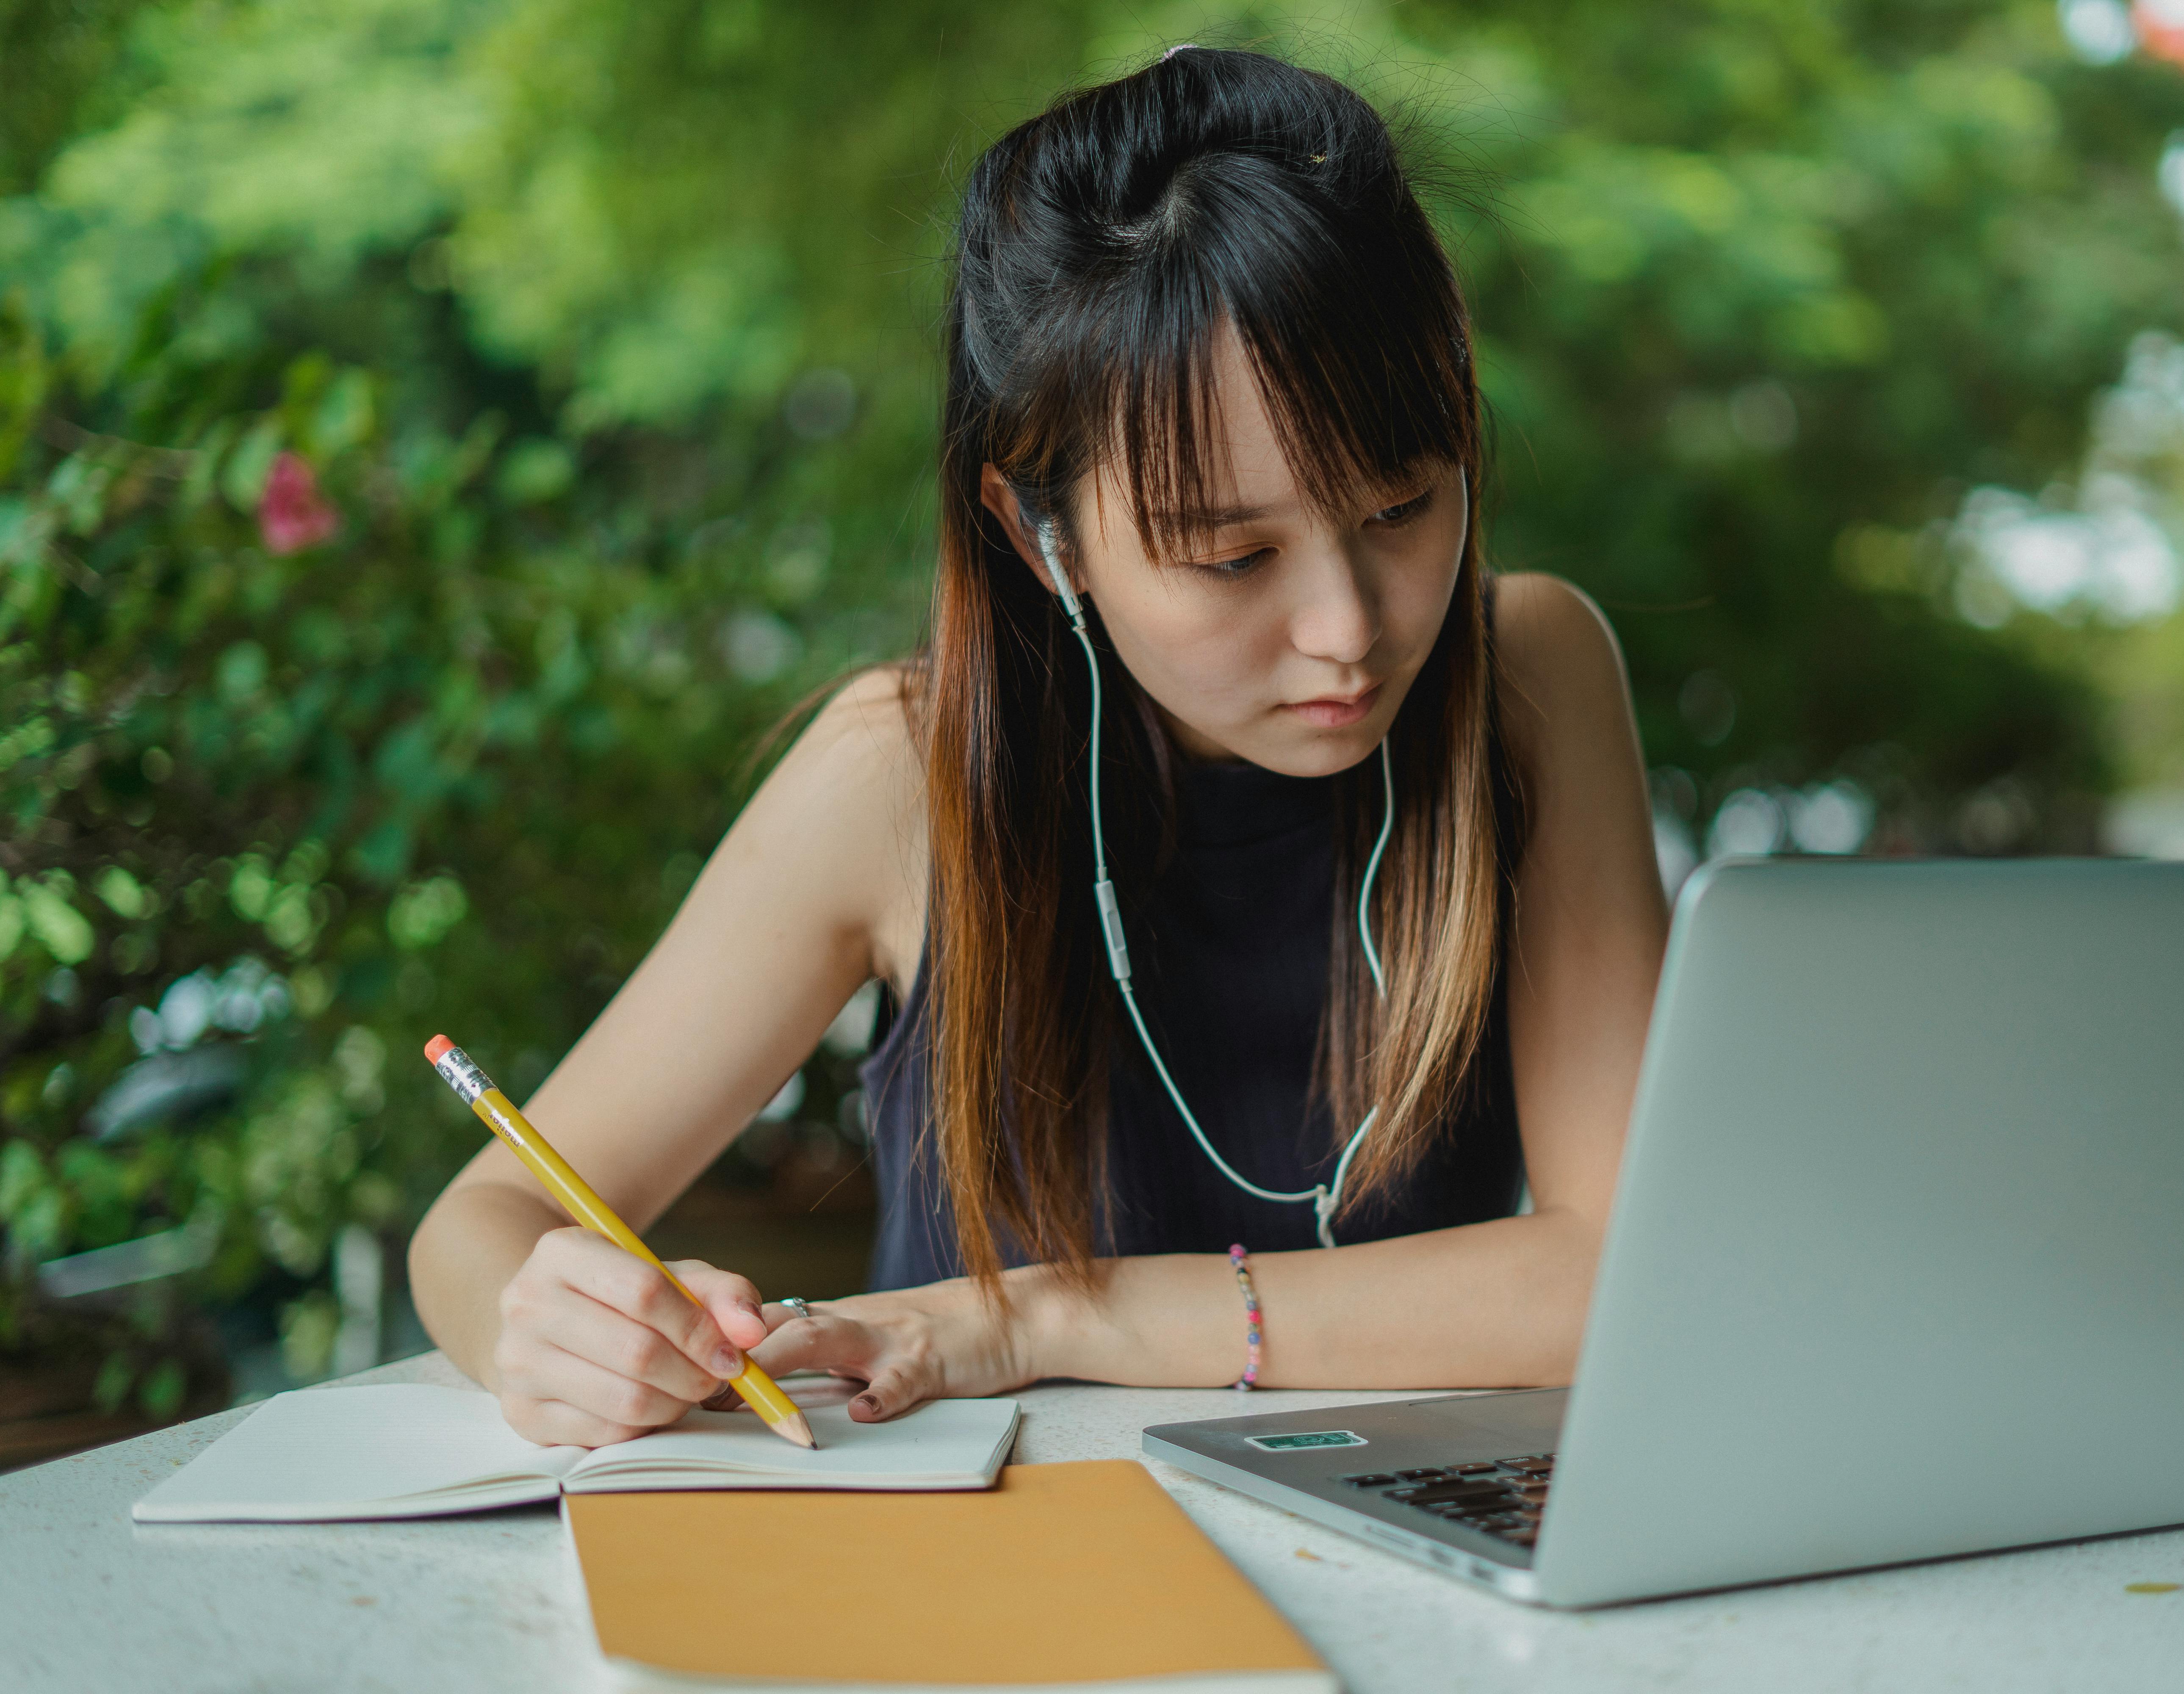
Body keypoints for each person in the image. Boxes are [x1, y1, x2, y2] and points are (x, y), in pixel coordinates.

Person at [409, 46, 1668, 1448]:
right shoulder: (904, 772)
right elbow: (480, 1223)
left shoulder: (1532, 678)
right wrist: (561, 1329)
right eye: (1235, 556)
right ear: (1040, 533)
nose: (1346, 631)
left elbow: (1621, 1275)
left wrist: (1041, 1315)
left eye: (1401, 510)